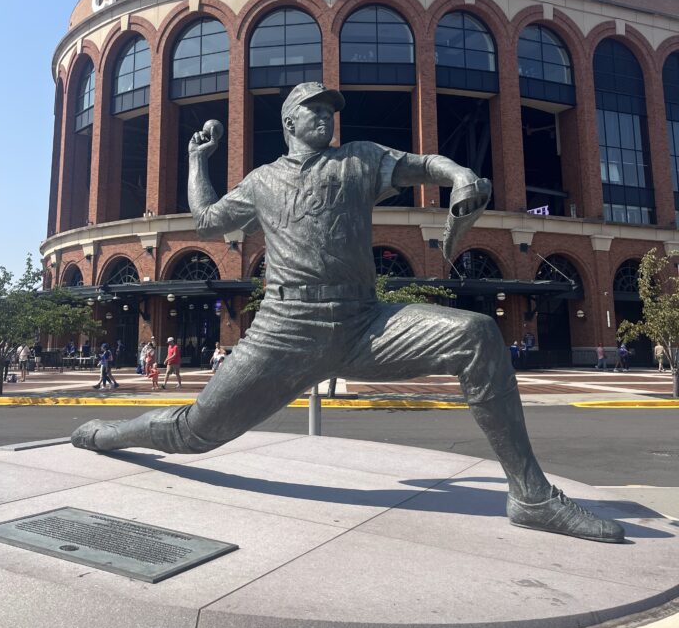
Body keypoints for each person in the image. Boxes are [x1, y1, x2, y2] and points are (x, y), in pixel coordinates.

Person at [73, 82, 624, 544]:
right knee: (194, 434)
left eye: (331, 111)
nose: (327, 118)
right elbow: (205, 223)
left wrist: (459, 174)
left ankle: (530, 496)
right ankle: (107, 436)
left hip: (364, 324)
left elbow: (421, 165)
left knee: (478, 333)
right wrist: (197, 161)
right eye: (315, 109)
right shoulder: (263, 181)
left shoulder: (358, 160)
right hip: (284, 334)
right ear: (290, 120)